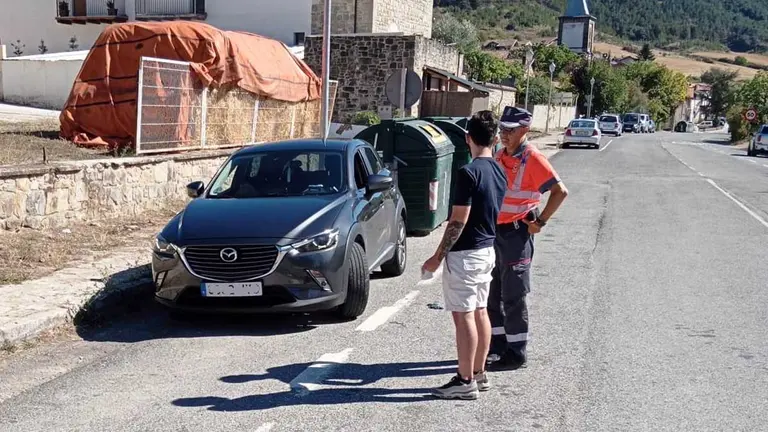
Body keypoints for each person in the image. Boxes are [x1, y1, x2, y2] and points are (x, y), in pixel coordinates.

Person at [422, 110, 507, 400]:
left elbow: (458, 221)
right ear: (495, 139)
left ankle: (465, 379)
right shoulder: (498, 169)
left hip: (466, 256)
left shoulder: (468, 172)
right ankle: (480, 373)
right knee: (481, 311)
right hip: (487, 251)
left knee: (464, 316)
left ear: (467, 138)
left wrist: (436, 257)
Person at [486, 106, 569, 372]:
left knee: (513, 296)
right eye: (502, 130)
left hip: (516, 234)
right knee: (493, 295)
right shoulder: (500, 154)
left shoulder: (533, 158)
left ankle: (516, 353)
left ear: (524, 130)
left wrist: (541, 222)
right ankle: (496, 346)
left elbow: (559, 191)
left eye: (510, 131)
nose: (504, 135)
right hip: (496, 233)